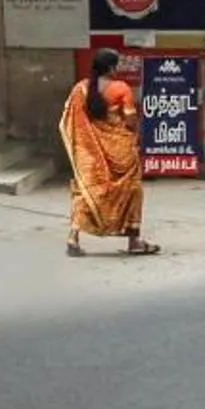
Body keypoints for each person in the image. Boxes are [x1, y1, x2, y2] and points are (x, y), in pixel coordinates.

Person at [59, 46, 158, 257]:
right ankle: (134, 241)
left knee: (87, 191)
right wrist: (132, 134)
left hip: (91, 153)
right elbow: (130, 120)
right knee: (132, 191)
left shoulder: (81, 89)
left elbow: (69, 119)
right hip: (121, 152)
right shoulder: (121, 88)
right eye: (117, 64)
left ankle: (73, 238)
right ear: (111, 67)